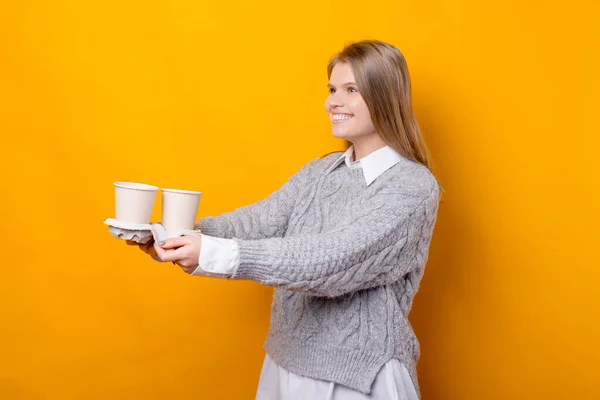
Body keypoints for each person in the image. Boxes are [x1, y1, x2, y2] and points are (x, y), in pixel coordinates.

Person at [128, 40, 440, 399]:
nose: (333, 102)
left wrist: (210, 252)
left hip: (359, 377)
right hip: (285, 362)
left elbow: (331, 261)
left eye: (351, 90)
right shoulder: (320, 172)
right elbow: (258, 221)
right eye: (332, 89)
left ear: (385, 96)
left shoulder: (413, 187)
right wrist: (177, 235)